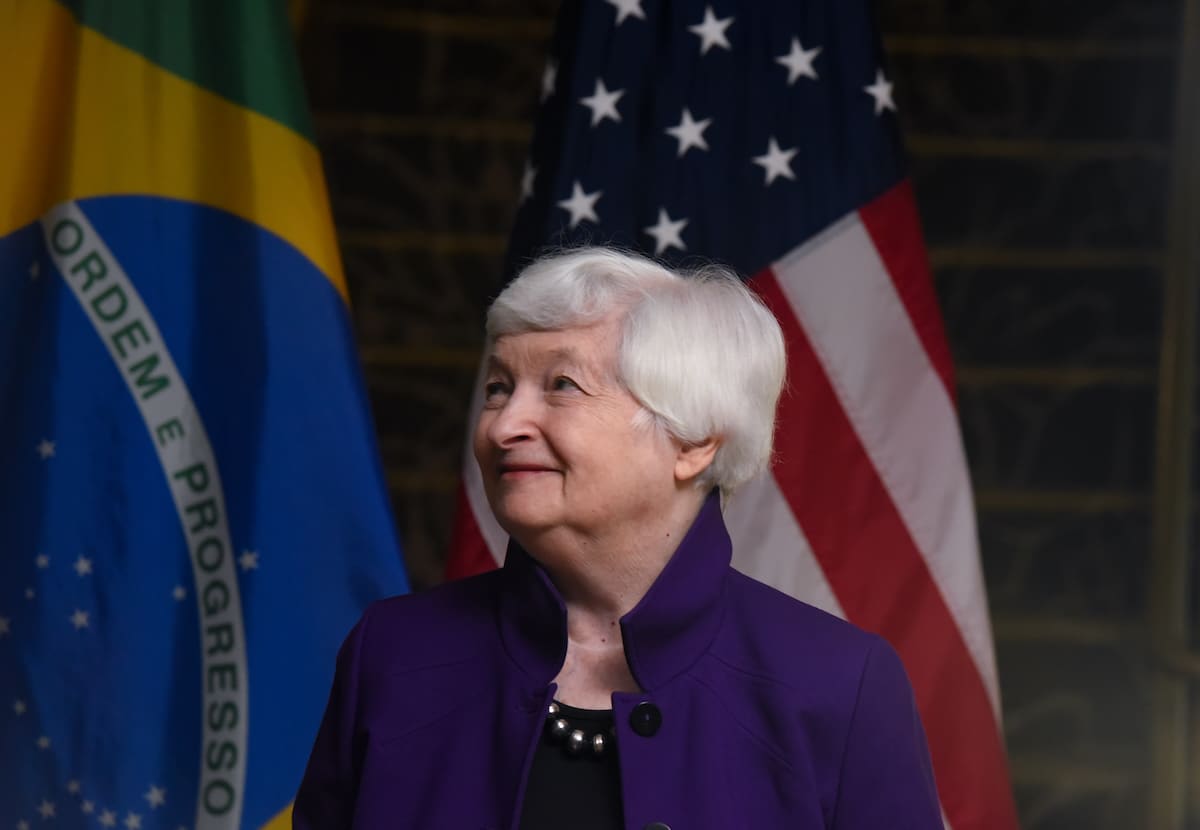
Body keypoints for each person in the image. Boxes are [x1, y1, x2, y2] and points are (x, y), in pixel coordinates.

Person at [293, 247, 942, 829]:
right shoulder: (392, 654)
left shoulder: (840, 683)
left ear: (692, 440)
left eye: (561, 387)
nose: (503, 426)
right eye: (497, 387)